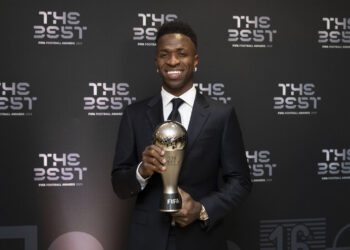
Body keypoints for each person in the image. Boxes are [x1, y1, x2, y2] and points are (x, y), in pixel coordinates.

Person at [111, 20, 252, 250]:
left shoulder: (221, 115)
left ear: (195, 60)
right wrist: (142, 171)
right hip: (147, 240)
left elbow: (241, 181)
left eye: (181, 54)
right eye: (164, 54)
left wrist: (202, 209)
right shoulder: (134, 115)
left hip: (202, 239)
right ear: (157, 62)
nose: (173, 61)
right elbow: (119, 184)